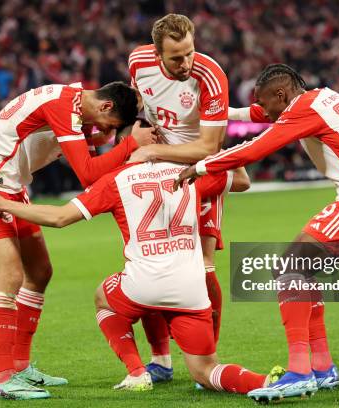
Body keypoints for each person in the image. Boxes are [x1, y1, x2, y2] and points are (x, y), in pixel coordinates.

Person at [176, 64, 339, 401]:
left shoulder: (304, 110)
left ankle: (300, 372)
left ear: (281, 95)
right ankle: (323, 368)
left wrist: (200, 165)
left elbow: (255, 149)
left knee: (289, 269)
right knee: (301, 272)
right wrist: (208, 114)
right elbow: (253, 113)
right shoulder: (319, 100)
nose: (264, 111)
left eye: (267, 103)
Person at [0, 161, 287, 398]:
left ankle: (137, 371)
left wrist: (4, 204)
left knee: (103, 294)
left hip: (143, 284)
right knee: (205, 371)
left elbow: (60, 218)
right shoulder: (188, 171)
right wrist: (217, 144)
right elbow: (243, 181)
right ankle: (266, 382)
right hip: (192, 288)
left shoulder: (118, 178)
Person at [0, 80, 157, 400]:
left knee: (40, 272)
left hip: (11, 183)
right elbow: (89, 174)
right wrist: (130, 144)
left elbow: (94, 163)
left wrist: (111, 138)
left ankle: (21, 366)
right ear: (105, 107)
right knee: (10, 275)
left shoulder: (76, 103)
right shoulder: (67, 107)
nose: (106, 132)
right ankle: (4, 377)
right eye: (110, 125)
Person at [125, 13, 235, 382]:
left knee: (203, 265)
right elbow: (138, 103)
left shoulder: (211, 75)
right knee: (150, 264)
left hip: (199, 172)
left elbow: (209, 146)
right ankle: (161, 360)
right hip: (158, 177)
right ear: (157, 54)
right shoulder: (138, 62)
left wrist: (154, 153)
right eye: (175, 57)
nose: (186, 63)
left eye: (189, 52)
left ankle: (209, 360)